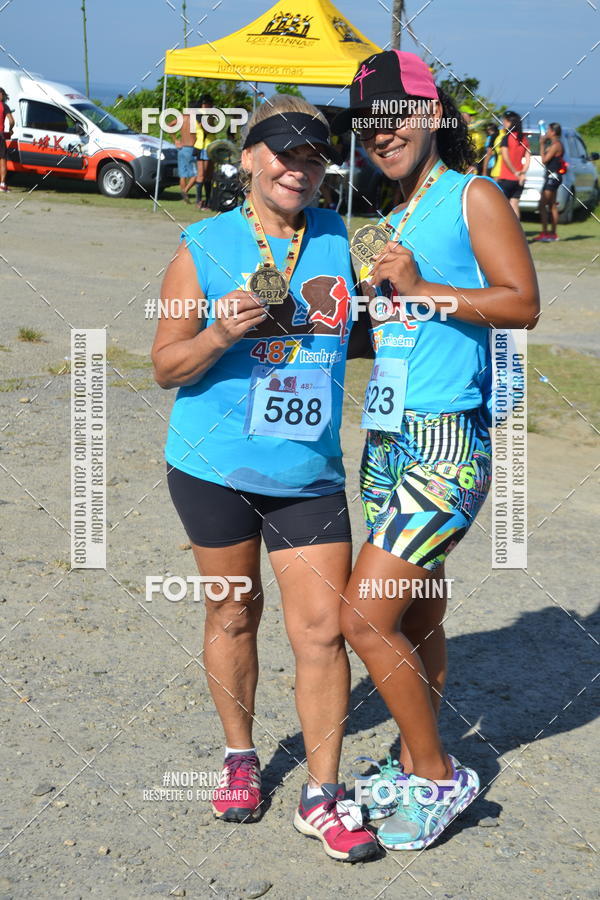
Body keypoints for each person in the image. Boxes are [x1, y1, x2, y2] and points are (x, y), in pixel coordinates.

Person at [151, 94, 378, 862]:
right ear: (248, 157)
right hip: (214, 465)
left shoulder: (344, 237)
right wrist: (221, 331)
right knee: (233, 614)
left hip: (309, 471)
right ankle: (240, 758)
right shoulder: (202, 246)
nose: (299, 167)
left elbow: (389, 316)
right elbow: (163, 365)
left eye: (314, 155)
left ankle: (323, 795)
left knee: (321, 631)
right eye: (282, 152)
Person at [331, 50, 539, 850]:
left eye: (394, 118)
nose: (380, 136)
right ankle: (409, 754)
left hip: (447, 442)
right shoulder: (388, 218)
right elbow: (391, 329)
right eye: (367, 125)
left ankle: (436, 775)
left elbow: (522, 303)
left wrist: (421, 290)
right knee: (415, 613)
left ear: (429, 116)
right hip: (386, 436)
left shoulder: (472, 195)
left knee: (361, 616)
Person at [534, 122, 565, 242]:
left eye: (548, 130)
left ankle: (545, 233)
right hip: (555, 176)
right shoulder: (556, 144)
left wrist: (541, 145)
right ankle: (553, 233)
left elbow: (544, 160)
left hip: (552, 177)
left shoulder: (556, 145)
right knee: (552, 206)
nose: (546, 132)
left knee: (542, 205)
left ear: (553, 132)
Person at [497, 110, 530, 219]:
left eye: (505, 122)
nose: (503, 124)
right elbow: (528, 159)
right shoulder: (523, 139)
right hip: (519, 179)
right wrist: (522, 173)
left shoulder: (506, 138)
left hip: (506, 178)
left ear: (510, 123)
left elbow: (506, 158)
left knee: (502, 207)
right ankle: (517, 233)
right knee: (514, 204)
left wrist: (514, 171)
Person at [193, 94, 214, 209]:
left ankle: (208, 200)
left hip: (210, 146)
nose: (209, 106)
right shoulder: (200, 113)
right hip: (202, 147)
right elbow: (205, 127)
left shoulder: (211, 114)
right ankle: (199, 201)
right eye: (207, 104)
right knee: (202, 175)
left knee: (209, 176)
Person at [175, 105, 197, 203]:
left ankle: (184, 196)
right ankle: (185, 191)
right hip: (190, 148)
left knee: (183, 175)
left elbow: (169, 125)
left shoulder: (181, 118)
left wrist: (175, 139)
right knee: (197, 174)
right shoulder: (195, 119)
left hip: (181, 148)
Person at [0, 87, 15, 193]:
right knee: (2, 160)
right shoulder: (4, 106)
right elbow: (11, 120)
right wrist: (10, 130)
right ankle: (2, 185)